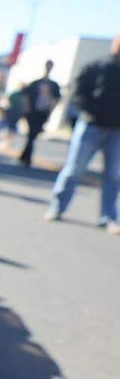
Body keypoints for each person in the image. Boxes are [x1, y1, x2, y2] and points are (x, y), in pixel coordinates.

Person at [45, 34, 120, 233]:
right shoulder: (96, 66)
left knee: (113, 176)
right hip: (91, 125)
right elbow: (78, 92)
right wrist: (90, 112)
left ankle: (109, 217)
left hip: (116, 130)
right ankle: (57, 207)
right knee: (74, 169)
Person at [19, 60, 61, 166]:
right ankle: (26, 157)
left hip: (42, 113)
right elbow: (26, 95)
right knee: (31, 134)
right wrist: (26, 108)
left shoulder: (53, 85)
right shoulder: (36, 83)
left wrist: (50, 112)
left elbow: (56, 100)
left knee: (33, 134)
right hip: (32, 111)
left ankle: (25, 156)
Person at [0, 82, 26, 149]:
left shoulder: (17, 93)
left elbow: (8, 99)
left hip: (12, 111)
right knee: (11, 126)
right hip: (16, 112)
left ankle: (6, 140)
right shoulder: (23, 95)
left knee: (8, 126)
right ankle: (7, 140)